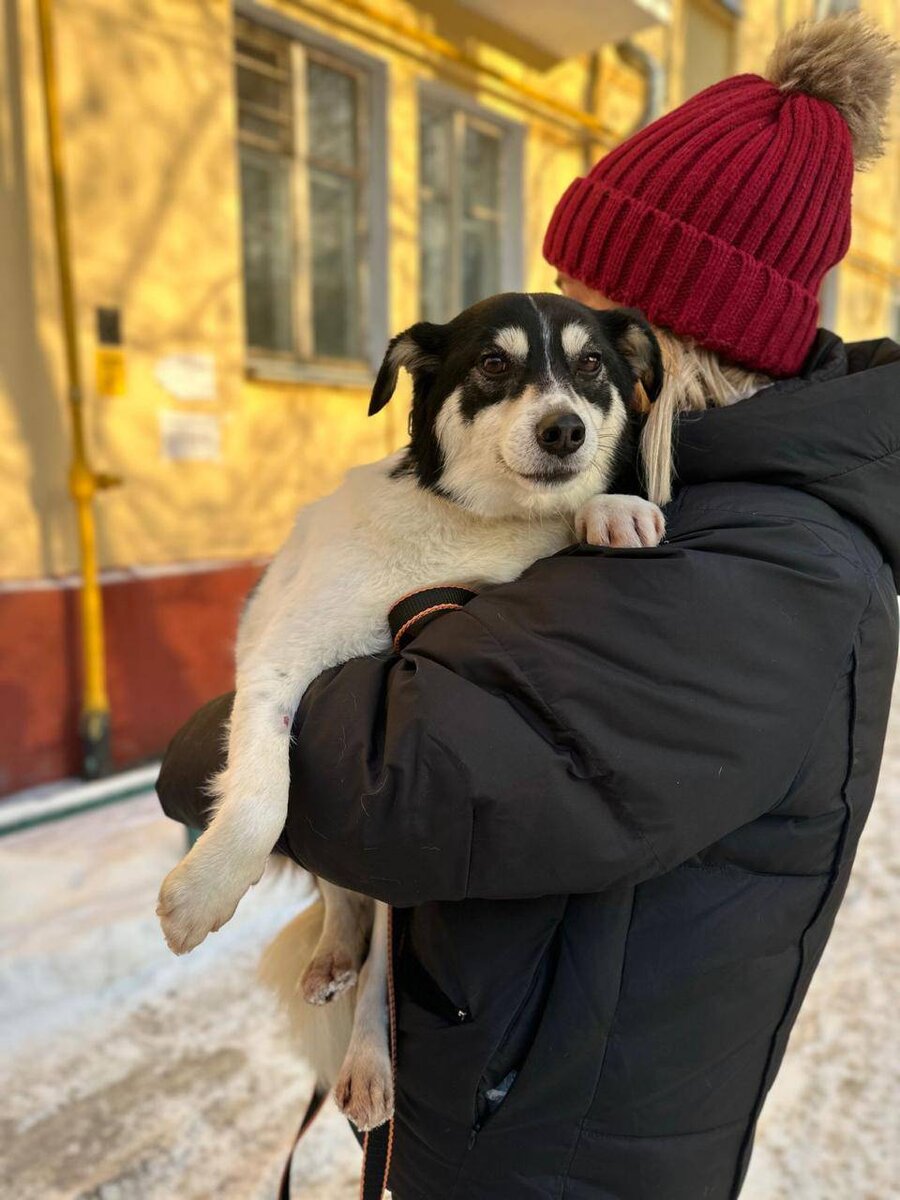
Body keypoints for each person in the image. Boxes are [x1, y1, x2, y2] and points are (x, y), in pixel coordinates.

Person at [157, 15, 899, 1199]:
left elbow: (398, 785)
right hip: (510, 1111)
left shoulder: (759, 567)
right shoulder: (685, 506)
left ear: (672, 350)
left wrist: (218, 730)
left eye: (590, 317)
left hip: (568, 1160)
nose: (561, 355)